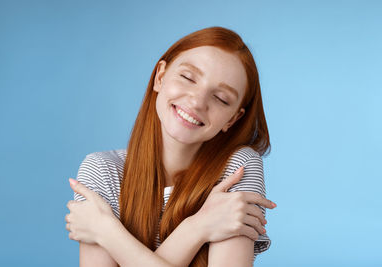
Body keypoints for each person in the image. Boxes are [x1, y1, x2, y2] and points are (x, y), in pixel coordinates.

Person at [65, 26, 276, 267]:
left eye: (221, 98)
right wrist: (200, 227)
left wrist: (107, 232)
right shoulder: (102, 170)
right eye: (188, 77)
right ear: (160, 77)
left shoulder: (239, 166)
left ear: (232, 119)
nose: (197, 102)